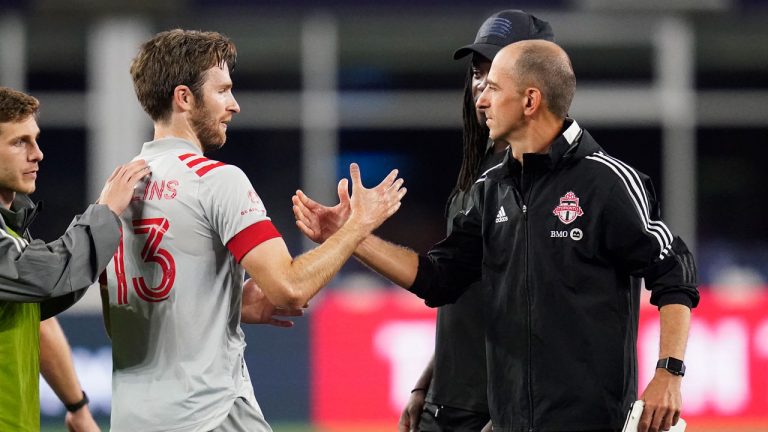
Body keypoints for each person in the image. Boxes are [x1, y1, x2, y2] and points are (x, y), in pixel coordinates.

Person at [293, 40, 699, 432]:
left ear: (529, 101)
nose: (481, 101)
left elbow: (674, 273)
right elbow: (438, 279)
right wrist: (350, 236)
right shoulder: (490, 189)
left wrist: (669, 373)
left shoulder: (607, 182)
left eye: (493, 89)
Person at [99, 29, 406, 432]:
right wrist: (356, 227)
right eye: (222, 91)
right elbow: (289, 287)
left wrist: (229, 302)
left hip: (133, 419)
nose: (234, 105)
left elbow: (141, 299)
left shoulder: (115, 190)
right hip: (208, 415)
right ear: (184, 98)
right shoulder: (215, 180)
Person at [0, 86, 149, 431]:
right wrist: (105, 213)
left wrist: (77, 407)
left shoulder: (12, 233)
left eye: (35, 140)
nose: (37, 154)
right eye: (19, 142)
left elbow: (39, 304)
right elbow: (47, 276)